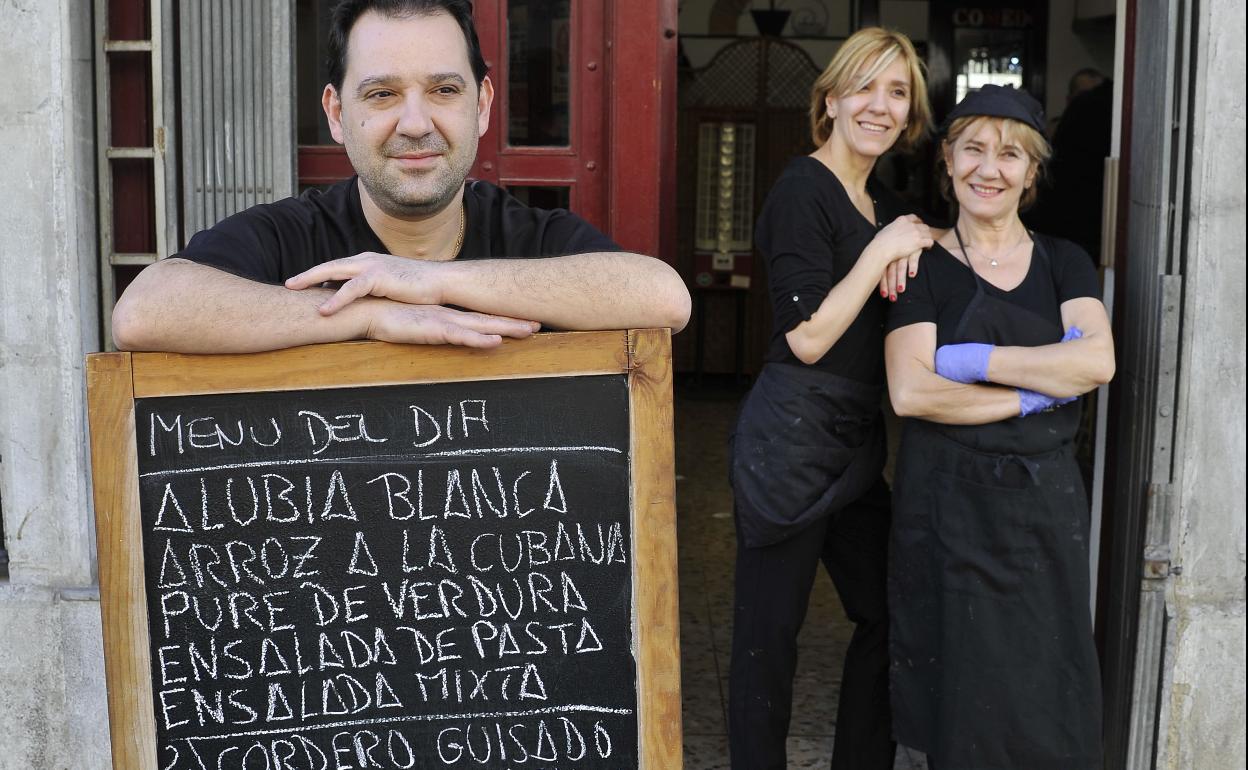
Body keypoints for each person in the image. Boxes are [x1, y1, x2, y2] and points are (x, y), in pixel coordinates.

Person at [111, 0, 689, 353]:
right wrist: (371, 315)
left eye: (443, 90)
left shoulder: (533, 238)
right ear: (337, 114)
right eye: (383, 94)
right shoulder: (290, 238)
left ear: (482, 105)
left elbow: (663, 298)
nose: (416, 124)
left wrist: (426, 281)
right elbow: (144, 313)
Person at [884, 85, 1115, 769]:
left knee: (1048, 679)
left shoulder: (1064, 262)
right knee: (962, 692)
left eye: (1010, 154)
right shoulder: (919, 263)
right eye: (974, 149)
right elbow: (909, 389)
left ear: (1033, 171)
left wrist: (979, 361)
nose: (990, 169)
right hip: (948, 510)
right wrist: (1031, 394)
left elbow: (1097, 360)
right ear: (947, 161)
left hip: (1044, 512)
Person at [728, 27, 934, 769]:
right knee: (766, 641)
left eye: (897, 92)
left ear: (910, 114)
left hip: (851, 446)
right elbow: (808, 336)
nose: (880, 106)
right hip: (789, 442)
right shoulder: (801, 190)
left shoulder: (881, 201)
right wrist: (881, 251)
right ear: (832, 98)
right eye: (865, 87)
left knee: (890, 610)